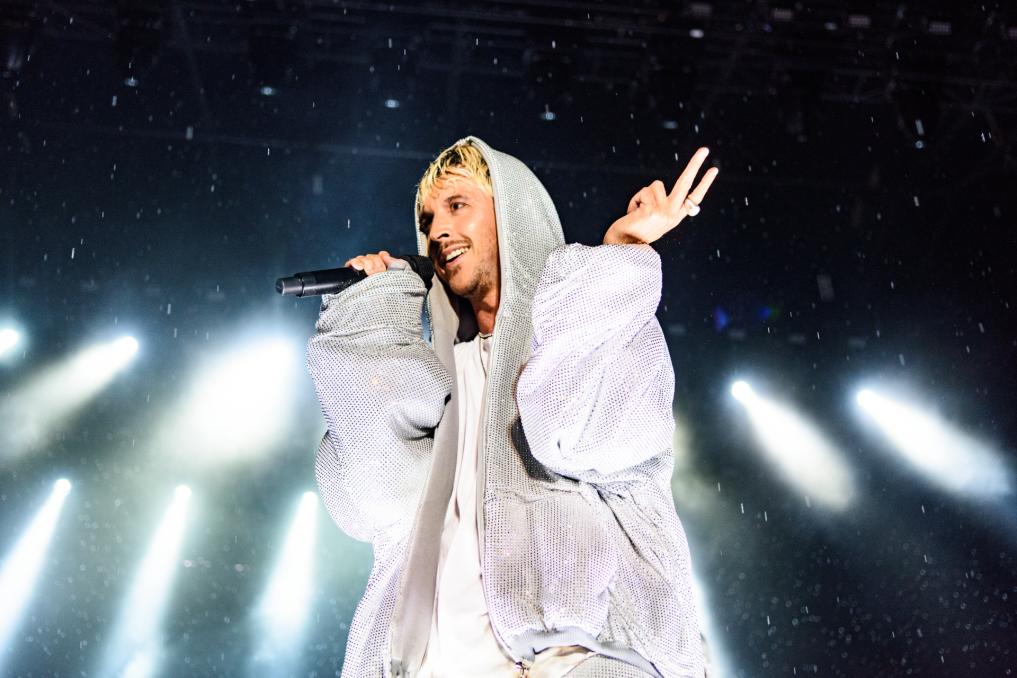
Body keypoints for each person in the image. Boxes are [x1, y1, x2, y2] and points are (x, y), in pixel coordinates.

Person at [307, 136, 718, 678]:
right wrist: (371, 321)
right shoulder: (432, 383)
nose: (438, 231)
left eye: (458, 205)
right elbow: (372, 500)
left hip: (574, 664)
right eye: (428, 220)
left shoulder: (590, 338)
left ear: (512, 213)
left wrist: (619, 254)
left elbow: (583, 432)